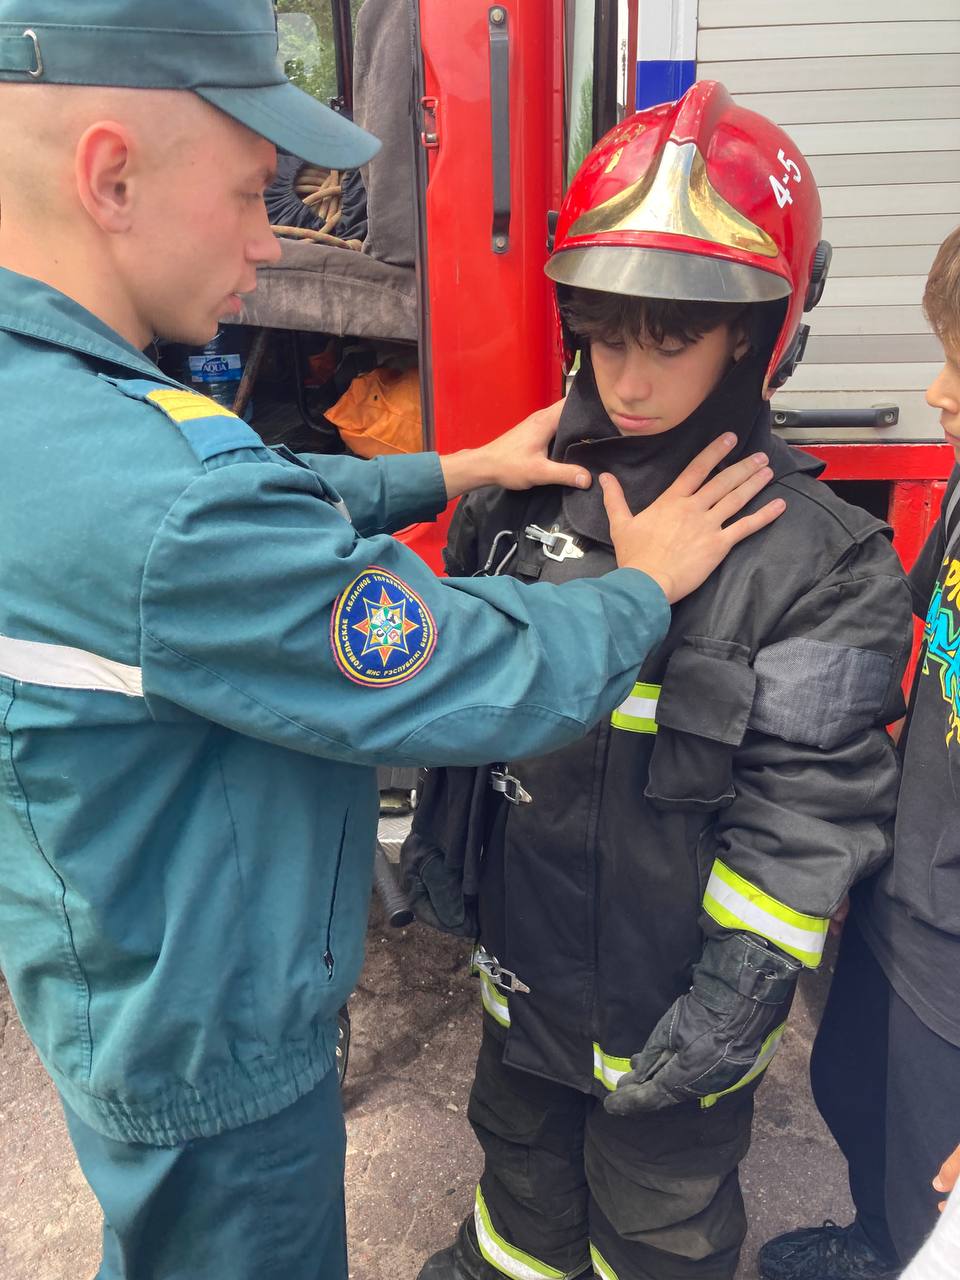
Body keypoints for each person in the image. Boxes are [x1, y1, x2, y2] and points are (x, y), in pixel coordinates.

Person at [0, 5, 785, 1279]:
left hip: (122, 984)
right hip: (213, 1037)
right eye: (253, 191)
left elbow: (231, 511)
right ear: (111, 175)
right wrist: (641, 589)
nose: (272, 240)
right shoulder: (162, 503)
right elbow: (468, 672)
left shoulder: (55, 410)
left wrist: (451, 467)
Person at [404, 81, 914, 1280]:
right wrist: (445, 847)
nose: (628, 377)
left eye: (671, 339)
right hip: (522, 980)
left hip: (676, 1009)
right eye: (607, 333)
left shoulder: (823, 561)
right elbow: (469, 716)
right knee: (518, 1182)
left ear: (753, 332)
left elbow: (810, 805)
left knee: (661, 1227)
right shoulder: (518, 499)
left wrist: (741, 986)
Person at [759, 224, 960, 1280]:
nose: (936, 392)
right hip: (906, 887)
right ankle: (879, 1239)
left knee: (939, 1184)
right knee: (854, 1088)